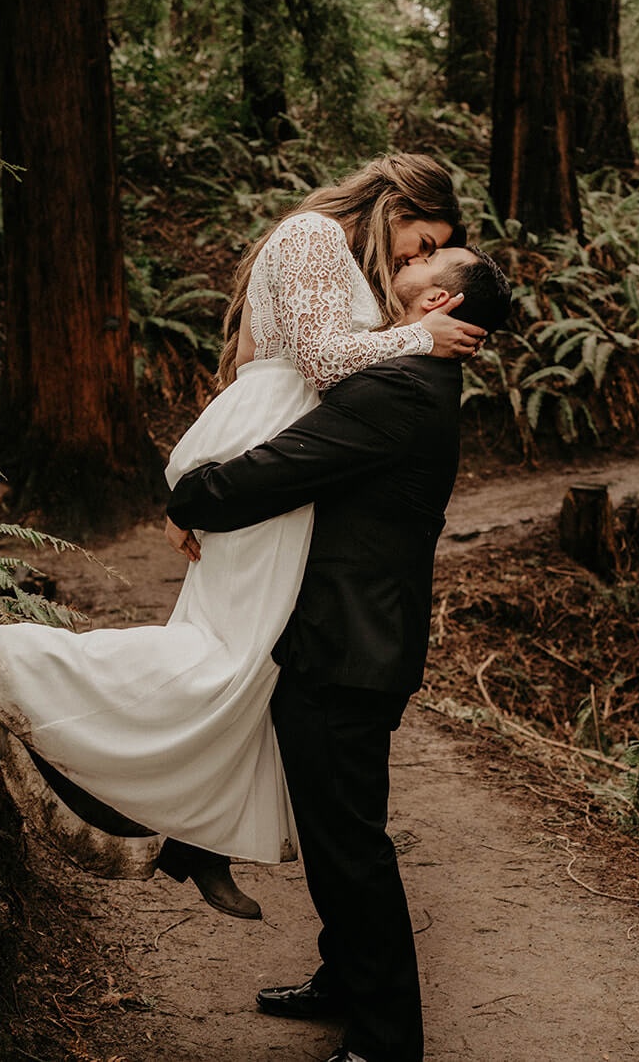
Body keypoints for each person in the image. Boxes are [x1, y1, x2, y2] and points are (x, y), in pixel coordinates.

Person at [0, 154, 486, 919]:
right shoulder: (312, 235)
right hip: (270, 451)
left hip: (285, 453)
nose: (412, 259)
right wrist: (419, 340)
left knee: (252, 661)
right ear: (393, 203)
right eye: (419, 240)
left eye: (425, 254)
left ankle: (195, 833)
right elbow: (316, 359)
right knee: (227, 655)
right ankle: (25, 664)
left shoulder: (349, 262)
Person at [166, 245, 512, 1062]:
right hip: (352, 638)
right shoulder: (414, 371)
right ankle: (343, 978)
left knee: (350, 845)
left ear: (435, 301)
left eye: (429, 257)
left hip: (348, 648)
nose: (408, 257)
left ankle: (387, 1040)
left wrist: (188, 495)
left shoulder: (398, 388)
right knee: (337, 833)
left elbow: (280, 471)